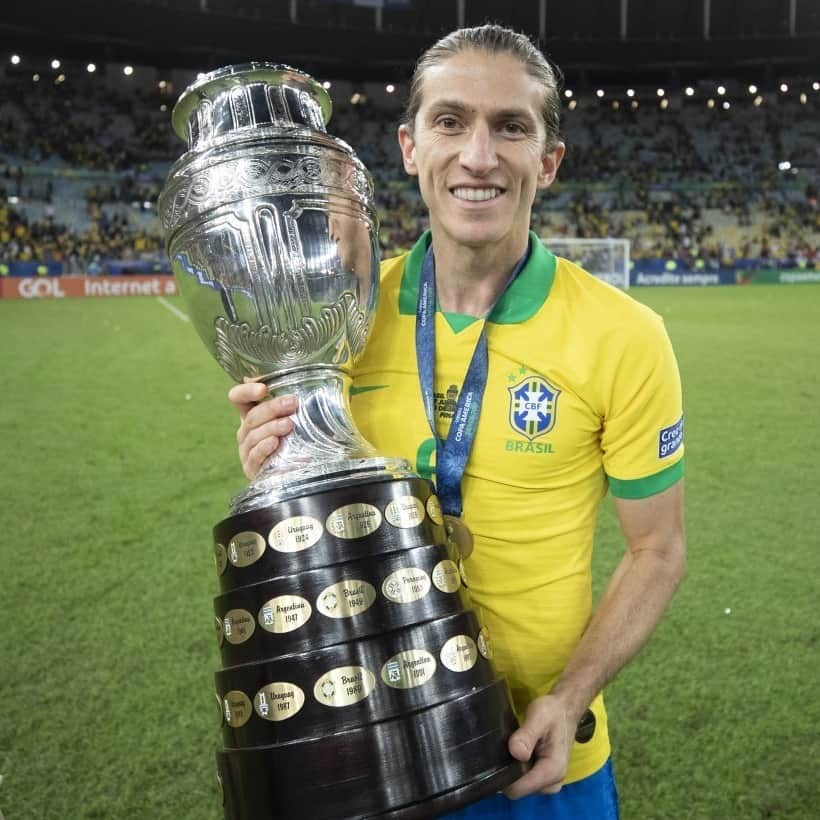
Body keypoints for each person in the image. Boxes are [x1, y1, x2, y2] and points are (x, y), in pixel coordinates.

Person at [230, 24, 686, 820]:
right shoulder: (340, 321)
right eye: (450, 121)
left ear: (548, 160)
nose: (479, 155)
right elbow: (311, 504)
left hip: (539, 751)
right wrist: (277, 465)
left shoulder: (626, 336)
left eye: (511, 126)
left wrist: (571, 695)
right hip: (374, 739)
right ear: (410, 147)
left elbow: (657, 548)